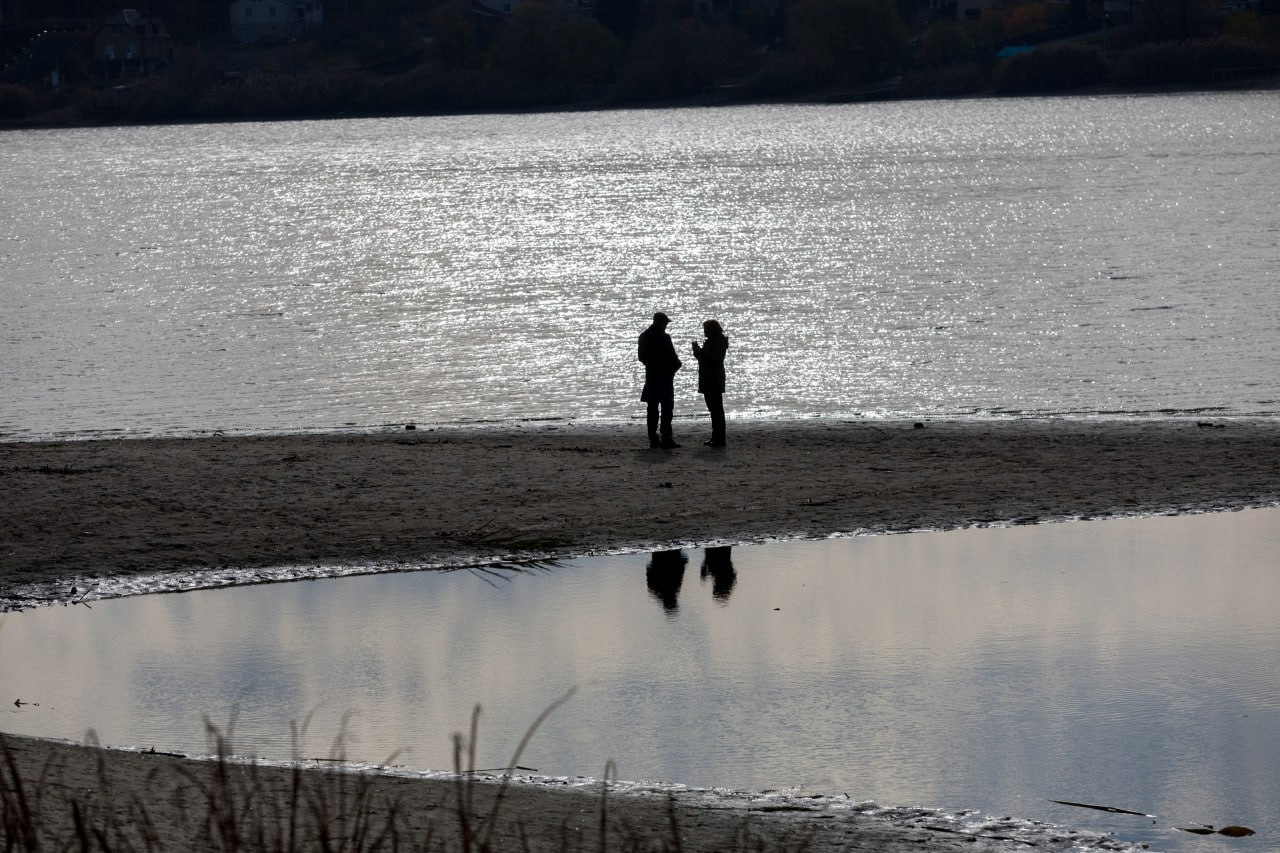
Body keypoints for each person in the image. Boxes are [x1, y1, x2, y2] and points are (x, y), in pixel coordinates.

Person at [637, 312, 683, 449]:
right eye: (665, 323)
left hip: (651, 376)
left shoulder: (644, 336)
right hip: (665, 377)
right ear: (661, 323)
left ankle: (653, 438)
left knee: (652, 409)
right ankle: (666, 438)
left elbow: (641, 357)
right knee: (667, 408)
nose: (666, 326)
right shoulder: (664, 337)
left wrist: (652, 364)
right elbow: (672, 356)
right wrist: (676, 366)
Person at [691, 319, 728, 447]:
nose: (704, 332)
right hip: (708, 378)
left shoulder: (718, 342)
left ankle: (719, 438)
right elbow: (704, 359)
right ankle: (716, 436)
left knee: (716, 409)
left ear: (712, 330)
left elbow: (716, 359)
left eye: (706, 329)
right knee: (713, 409)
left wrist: (701, 351)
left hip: (714, 378)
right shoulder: (712, 341)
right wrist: (697, 351)